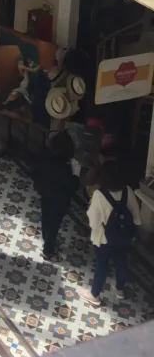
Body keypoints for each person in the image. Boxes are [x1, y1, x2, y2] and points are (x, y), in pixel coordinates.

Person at [77, 160, 142, 307]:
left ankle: (94, 294)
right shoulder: (127, 191)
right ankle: (120, 290)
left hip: (104, 239)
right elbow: (137, 217)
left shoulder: (99, 195)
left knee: (102, 265)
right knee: (121, 262)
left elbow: (94, 222)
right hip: (123, 238)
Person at [33, 132, 79, 261]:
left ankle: (46, 237)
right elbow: (72, 186)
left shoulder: (45, 155)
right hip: (58, 200)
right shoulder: (63, 169)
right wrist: (76, 174)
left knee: (46, 216)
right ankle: (48, 250)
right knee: (54, 224)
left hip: (45, 192)